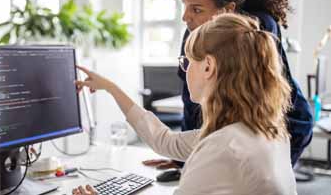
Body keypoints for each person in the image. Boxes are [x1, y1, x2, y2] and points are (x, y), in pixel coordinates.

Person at [72, 13, 297, 195]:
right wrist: (112, 88)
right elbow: (166, 142)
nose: (184, 69)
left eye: (187, 61)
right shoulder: (264, 131)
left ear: (208, 66)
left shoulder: (224, 147)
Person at [143, 0, 313, 177]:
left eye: (196, 9)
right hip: (234, 136)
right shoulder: (193, 31)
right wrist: (183, 160)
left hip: (286, 126)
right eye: (185, 5)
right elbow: (192, 103)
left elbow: (249, 109)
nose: (186, 17)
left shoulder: (257, 28)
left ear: (228, 9)